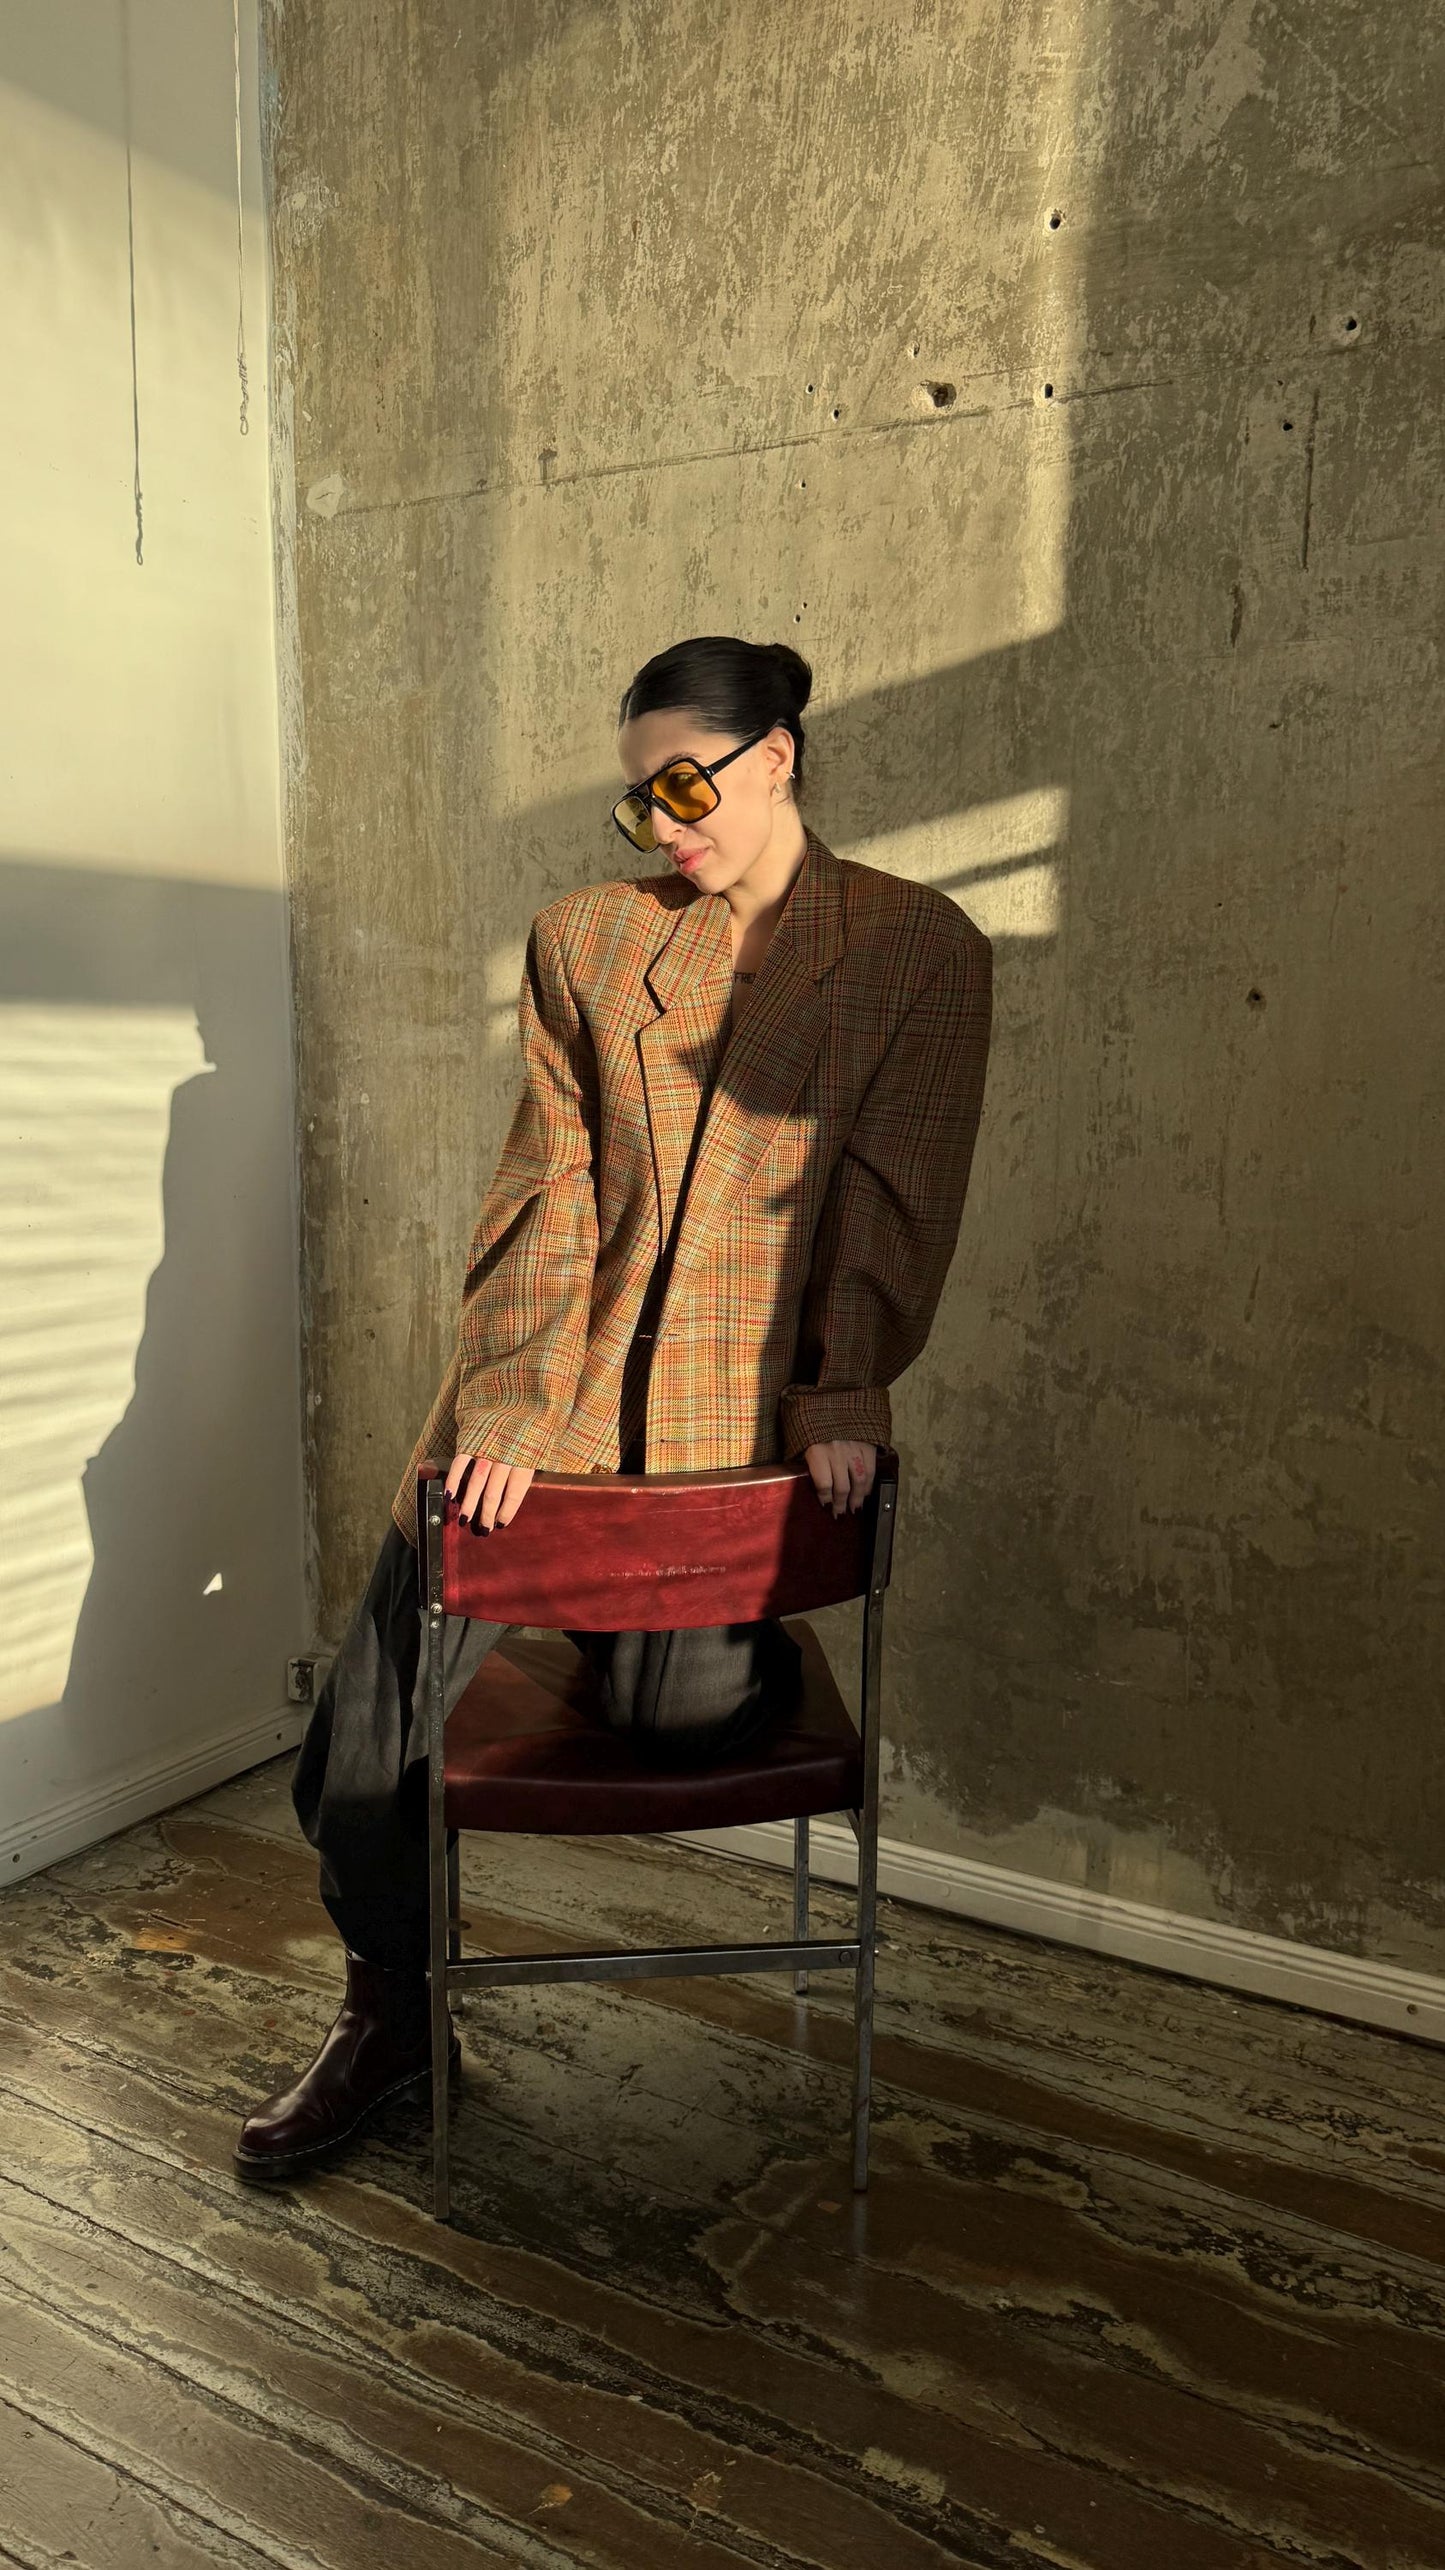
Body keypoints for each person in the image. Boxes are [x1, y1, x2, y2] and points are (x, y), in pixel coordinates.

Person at [234, 635, 992, 2179]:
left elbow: (893, 1194)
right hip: (546, 1417)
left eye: (684, 786)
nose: (662, 825)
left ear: (777, 755)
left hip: (727, 1438)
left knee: (674, 1720)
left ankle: (695, 1648)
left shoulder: (919, 950)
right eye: (637, 801)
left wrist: (842, 1381)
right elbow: (545, 1193)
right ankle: (393, 2020)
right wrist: (508, 1405)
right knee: (357, 1753)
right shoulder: (587, 940)